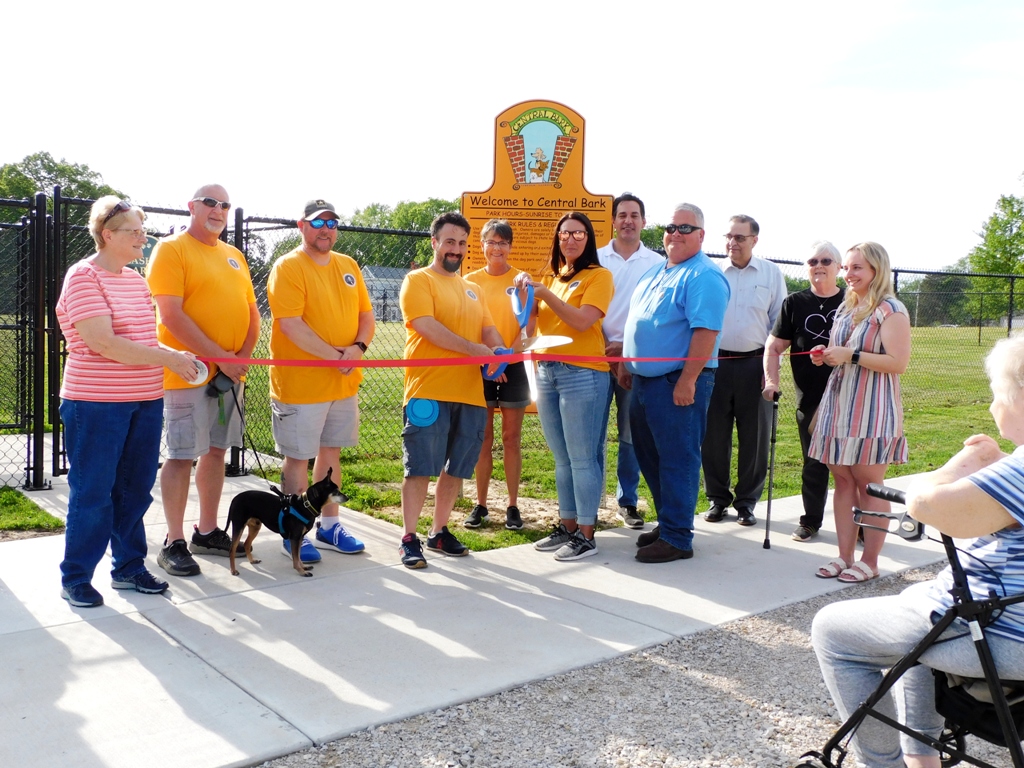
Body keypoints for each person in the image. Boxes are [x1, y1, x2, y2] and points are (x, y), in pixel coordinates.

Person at [812, 334, 1024, 768]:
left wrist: (963, 465)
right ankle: (920, 757)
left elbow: (927, 505)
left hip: (1003, 634)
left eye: (996, 395)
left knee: (832, 630)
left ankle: (883, 763)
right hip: (999, 617)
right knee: (915, 610)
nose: (992, 407)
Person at [56, 197, 199, 607]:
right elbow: (104, 342)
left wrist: (176, 356)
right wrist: (169, 359)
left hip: (145, 401)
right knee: (93, 493)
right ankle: (76, 577)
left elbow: (142, 340)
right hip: (96, 404)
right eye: (133, 231)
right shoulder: (83, 277)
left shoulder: (135, 281)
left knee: (135, 491)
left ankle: (129, 568)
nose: (142, 237)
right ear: (107, 235)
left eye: (142, 230)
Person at [146, 185, 261, 577]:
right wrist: (221, 358)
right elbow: (171, 316)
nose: (218, 209)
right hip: (188, 374)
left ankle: (207, 531)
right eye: (210, 202)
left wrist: (240, 359)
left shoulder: (234, 256)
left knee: (216, 451)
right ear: (192, 207)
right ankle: (173, 541)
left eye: (225, 204)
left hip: (229, 376)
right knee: (181, 455)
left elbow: (252, 313)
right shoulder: (171, 249)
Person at [267, 199, 375, 559]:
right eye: (317, 223)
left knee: (331, 455)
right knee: (298, 458)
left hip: (342, 383)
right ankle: (293, 531)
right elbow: (290, 325)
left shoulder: (348, 265)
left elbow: (366, 316)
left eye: (331, 222)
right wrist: (335, 357)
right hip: (301, 385)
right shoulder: (288, 266)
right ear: (302, 226)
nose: (325, 229)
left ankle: (329, 526)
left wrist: (357, 348)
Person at [623, 203, 730, 563]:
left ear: (701, 235)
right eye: (671, 227)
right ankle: (669, 522)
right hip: (644, 382)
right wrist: (628, 361)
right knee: (650, 456)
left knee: (677, 459)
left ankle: (678, 538)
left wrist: (688, 380)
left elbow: (706, 332)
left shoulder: (704, 275)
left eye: (686, 228)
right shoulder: (657, 270)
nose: (676, 234)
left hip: (676, 383)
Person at [398, 211, 503, 569]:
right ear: (435, 243)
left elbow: (488, 330)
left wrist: (498, 351)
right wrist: (475, 350)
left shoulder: (473, 289)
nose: (456, 249)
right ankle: (409, 537)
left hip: (470, 394)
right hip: (427, 391)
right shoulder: (418, 280)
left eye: (461, 243)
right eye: (449, 241)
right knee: (419, 468)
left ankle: (439, 532)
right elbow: (426, 326)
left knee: (456, 468)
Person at [808, 242, 911, 583]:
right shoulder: (847, 306)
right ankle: (844, 556)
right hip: (839, 405)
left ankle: (871, 561)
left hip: (871, 408)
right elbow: (842, 351)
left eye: (857, 268)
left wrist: (849, 355)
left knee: (869, 484)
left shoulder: (891, 309)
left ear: (876, 271)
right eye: (847, 267)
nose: (848, 274)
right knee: (842, 480)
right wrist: (826, 354)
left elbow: (898, 362)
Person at [514, 212, 614, 562]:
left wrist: (546, 294)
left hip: (583, 373)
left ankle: (587, 534)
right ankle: (568, 526)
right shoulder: (552, 278)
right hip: (547, 371)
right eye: (564, 234)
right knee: (561, 459)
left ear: (589, 238)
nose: (570, 239)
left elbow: (583, 321)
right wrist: (526, 296)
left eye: (578, 233)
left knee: (582, 458)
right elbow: (530, 325)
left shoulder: (599, 276)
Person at [702, 215, 787, 527]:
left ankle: (747, 503)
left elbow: (779, 323)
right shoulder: (712, 272)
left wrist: (771, 368)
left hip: (756, 364)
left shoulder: (771, 273)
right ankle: (717, 499)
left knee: (755, 437)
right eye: (728, 236)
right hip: (716, 364)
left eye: (739, 237)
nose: (732, 243)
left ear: (754, 240)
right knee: (713, 436)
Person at [763, 241, 845, 542]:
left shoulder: (853, 301)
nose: (818, 266)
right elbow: (774, 346)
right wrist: (771, 381)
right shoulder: (794, 303)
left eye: (826, 261)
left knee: (851, 464)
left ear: (839, 267)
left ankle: (860, 524)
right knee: (814, 461)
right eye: (812, 261)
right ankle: (811, 521)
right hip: (809, 398)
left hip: (850, 396)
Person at [597, 193, 664, 530]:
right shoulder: (595, 259)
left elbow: (657, 314)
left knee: (630, 434)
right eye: (622, 215)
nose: (628, 220)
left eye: (634, 215)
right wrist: (603, 344)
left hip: (633, 362)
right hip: (595, 358)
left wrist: (625, 347)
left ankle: (628, 501)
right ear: (613, 220)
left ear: (643, 221)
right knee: (592, 435)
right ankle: (589, 505)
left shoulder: (657, 263)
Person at [464, 219, 533, 531]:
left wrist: (504, 362)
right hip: (481, 364)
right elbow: (468, 326)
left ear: (510, 246)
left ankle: (512, 506)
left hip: (513, 366)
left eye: (503, 242)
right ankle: (480, 504)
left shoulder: (521, 281)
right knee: (483, 437)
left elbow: (528, 328)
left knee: (511, 438)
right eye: (491, 242)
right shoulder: (469, 282)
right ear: (482, 245)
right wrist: (491, 361)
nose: (497, 248)